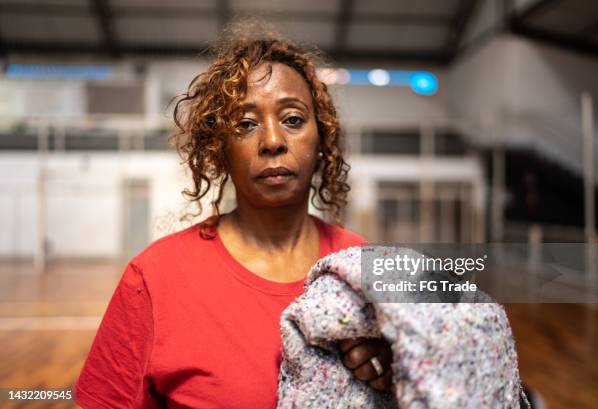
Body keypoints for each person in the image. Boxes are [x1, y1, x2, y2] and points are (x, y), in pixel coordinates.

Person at [75, 26, 393, 408]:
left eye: (293, 119)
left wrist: (400, 361)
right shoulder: (154, 280)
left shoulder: (366, 267)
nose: (273, 141)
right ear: (218, 149)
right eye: (245, 124)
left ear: (322, 139)